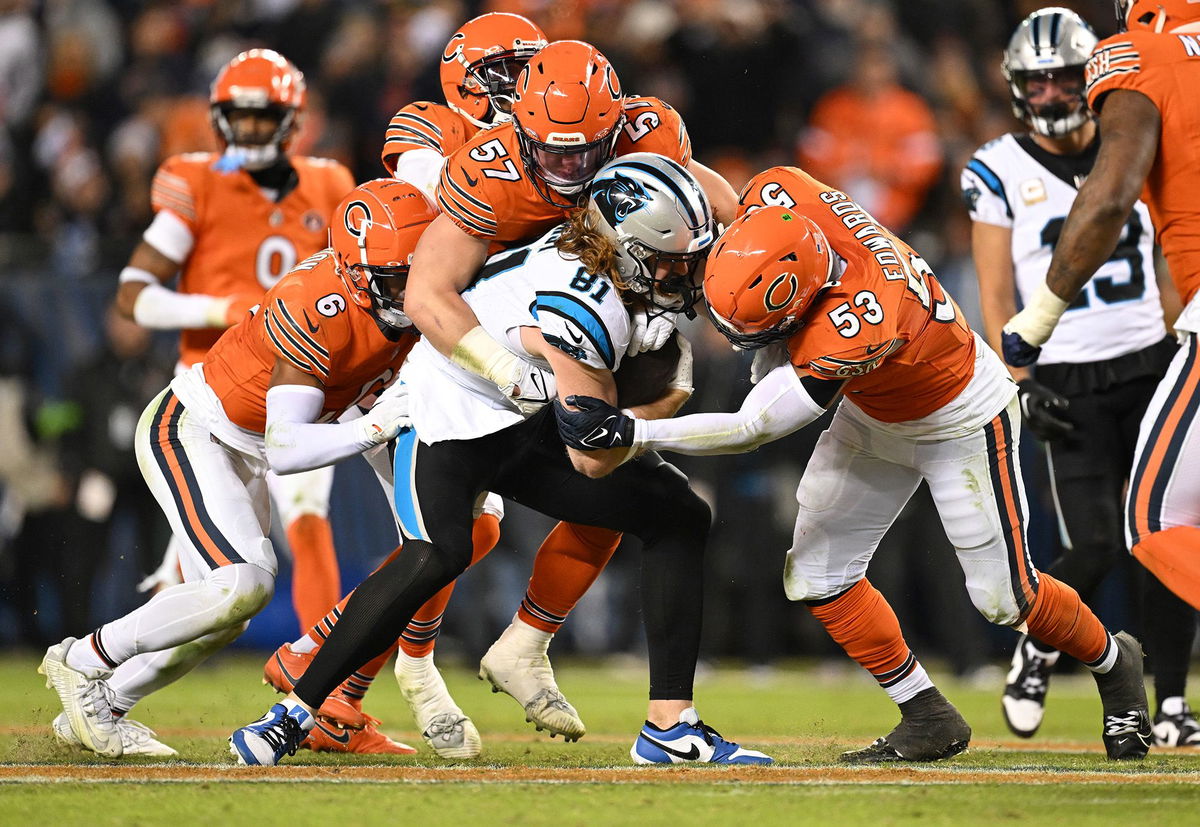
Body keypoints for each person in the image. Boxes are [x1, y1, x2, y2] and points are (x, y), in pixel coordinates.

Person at [555, 165, 1153, 762]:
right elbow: (721, 204)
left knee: (1006, 598)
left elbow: (750, 428)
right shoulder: (780, 197)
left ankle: (1113, 662)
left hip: (961, 416)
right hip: (876, 413)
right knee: (817, 574)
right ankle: (927, 714)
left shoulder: (859, 321)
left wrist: (633, 433)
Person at [264, 35, 739, 759]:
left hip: (575, 336)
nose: (572, 168)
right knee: (448, 540)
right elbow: (422, 289)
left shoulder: (647, 133)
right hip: (454, 356)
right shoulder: (465, 161)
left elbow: (717, 211)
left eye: (588, 149)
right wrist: (509, 368)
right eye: (553, 149)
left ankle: (528, 645)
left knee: (638, 501)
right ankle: (334, 680)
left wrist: (677, 322)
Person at [38, 178, 431, 759]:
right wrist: (375, 428)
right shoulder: (315, 304)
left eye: (419, 273)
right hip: (195, 429)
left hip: (242, 443)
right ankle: (82, 660)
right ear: (356, 271)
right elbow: (288, 450)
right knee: (243, 584)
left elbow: (365, 401)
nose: (413, 291)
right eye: (399, 278)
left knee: (229, 613)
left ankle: (104, 706)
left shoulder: (395, 303)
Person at [965, 8, 1196, 748]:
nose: (1057, 93)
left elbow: (1161, 253)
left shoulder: (1135, 118)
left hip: (1150, 354)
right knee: (1098, 540)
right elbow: (996, 290)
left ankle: (1170, 704)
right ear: (1015, 86)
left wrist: (1178, 332)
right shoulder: (996, 166)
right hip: (1063, 369)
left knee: (1162, 534)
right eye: (1040, 81)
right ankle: (1038, 644)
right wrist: (1018, 375)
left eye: (1068, 76)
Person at [114, 49, 355, 635]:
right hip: (212, 393)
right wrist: (220, 307)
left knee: (306, 516)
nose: (249, 129)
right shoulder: (194, 179)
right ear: (220, 117)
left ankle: (316, 686)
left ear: (292, 118)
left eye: (263, 116)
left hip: (301, 382)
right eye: (240, 116)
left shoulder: (328, 183)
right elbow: (133, 293)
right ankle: (106, 674)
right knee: (214, 585)